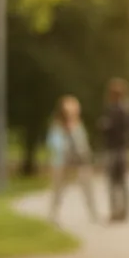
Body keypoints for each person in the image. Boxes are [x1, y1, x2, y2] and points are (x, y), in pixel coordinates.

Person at [46, 94, 98, 224]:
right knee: (58, 190)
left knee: (88, 188)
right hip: (63, 163)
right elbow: (54, 144)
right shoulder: (57, 126)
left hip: (80, 162)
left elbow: (83, 144)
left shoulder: (78, 125)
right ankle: (53, 215)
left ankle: (93, 214)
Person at [100, 78, 129, 221]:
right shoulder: (128, 108)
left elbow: (110, 128)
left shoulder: (114, 110)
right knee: (123, 181)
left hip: (114, 148)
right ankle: (125, 211)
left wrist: (105, 126)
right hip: (124, 148)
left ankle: (115, 211)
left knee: (113, 182)